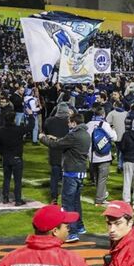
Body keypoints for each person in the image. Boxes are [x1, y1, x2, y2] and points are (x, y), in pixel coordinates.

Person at [40, 112, 91, 242]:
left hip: (71, 173)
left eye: (69, 122)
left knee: (67, 203)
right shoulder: (85, 133)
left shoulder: (73, 135)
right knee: (76, 202)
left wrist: (43, 138)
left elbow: (56, 145)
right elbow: (65, 142)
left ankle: (71, 232)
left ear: (74, 122)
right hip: (80, 171)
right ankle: (80, 226)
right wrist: (55, 138)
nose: (68, 124)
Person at [0, 111, 31, 206]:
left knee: (6, 178)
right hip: (17, 158)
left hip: (6, 158)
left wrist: (1, 153)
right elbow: (31, 126)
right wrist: (31, 115)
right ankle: (18, 200)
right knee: (17, 180)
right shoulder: (18, 130)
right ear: (14, 120)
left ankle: (5, 198)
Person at [86, 105, 117, 206]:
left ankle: (102, 194)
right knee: (102, 178)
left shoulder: (88, 125)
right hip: (103, 156)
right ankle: (99, 200)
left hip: (91, 156)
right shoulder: (105, 124)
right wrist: (113, 130)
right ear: (103, 114)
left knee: (96, 177)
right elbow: (114, 138)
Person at [43, 102, 72, 205]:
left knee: (54, 177)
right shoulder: (70, 122)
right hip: (66, 153)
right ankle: (66, 198)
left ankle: (54, 197)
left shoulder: (49, 121)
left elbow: (46, 134)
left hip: (54, 151)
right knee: (67, 177)